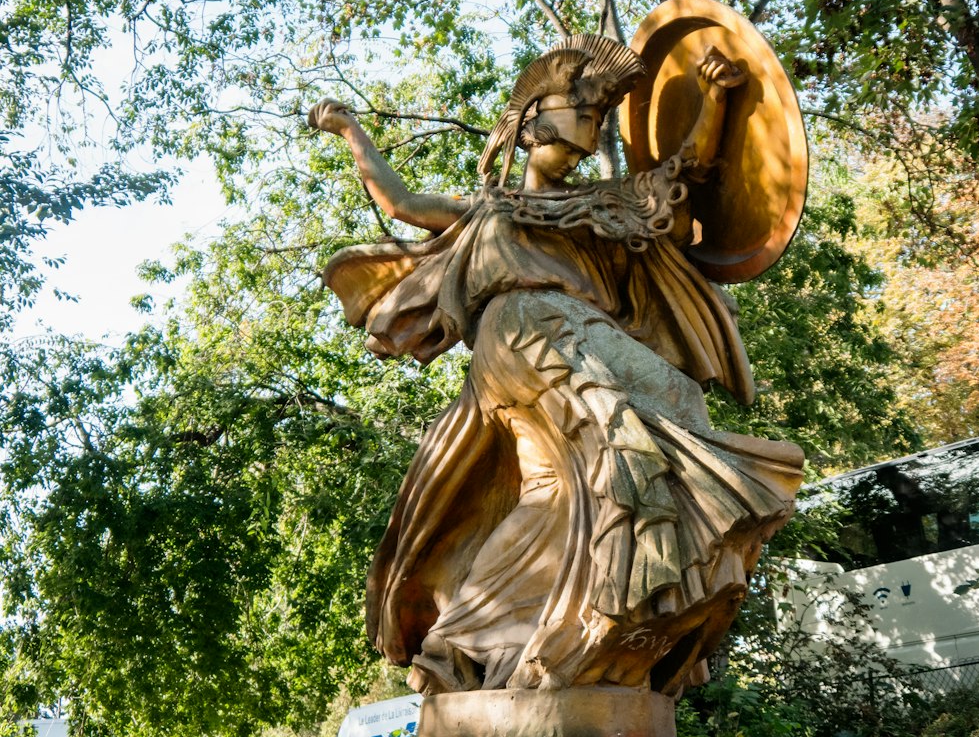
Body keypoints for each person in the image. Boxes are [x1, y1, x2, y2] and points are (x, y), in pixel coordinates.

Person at [308, 34, 803, 697]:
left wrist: (714, 96)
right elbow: (399, 202)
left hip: (581, 332)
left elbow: (681, 172)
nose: (571, 158)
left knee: (610, 455)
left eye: (581, 148)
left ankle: (475, 633)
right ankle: (620, 588)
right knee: (620, 440)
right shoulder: (486, 211)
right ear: (525, 132)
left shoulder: (595, 210)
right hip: (523, 336)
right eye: (562, 143)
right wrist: (350, 130)